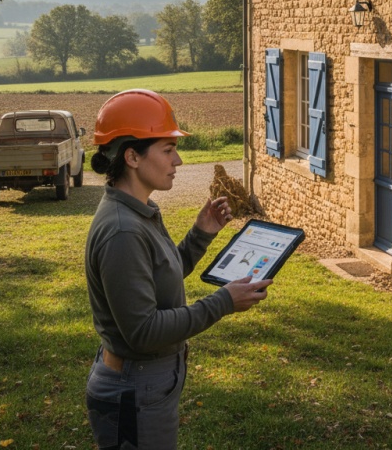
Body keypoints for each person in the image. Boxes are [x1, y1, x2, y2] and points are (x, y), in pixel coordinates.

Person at [84, 88, 271, 450]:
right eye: (168, 150)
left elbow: (160, 277)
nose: (179, 161)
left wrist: (201, 234)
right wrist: (224, 302)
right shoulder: (123, 230)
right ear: (132, 157)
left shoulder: (140, 211)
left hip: (147, 384)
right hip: (134, 390)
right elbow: (143, 331)